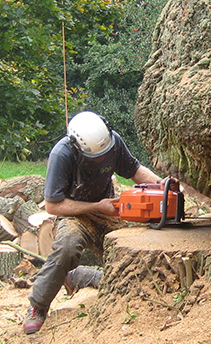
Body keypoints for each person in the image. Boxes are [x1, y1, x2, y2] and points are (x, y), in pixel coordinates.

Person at [23, 110, 164, 334]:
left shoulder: (113, 142)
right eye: (95, 157)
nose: (100, 159)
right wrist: (96, 206)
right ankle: (38, 306)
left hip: (107, 209)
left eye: (103, 154)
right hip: (74, 213)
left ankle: (81, 276)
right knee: (67, 248)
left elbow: (135, 170)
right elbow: (53, 205)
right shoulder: (62, 154)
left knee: (134, 249)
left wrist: (163, 186)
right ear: (77, 147)